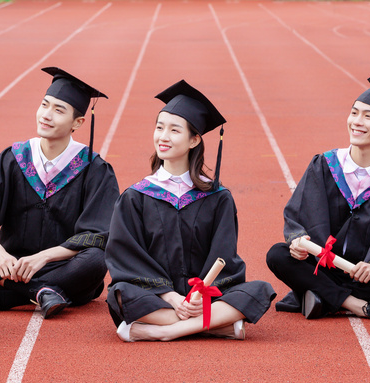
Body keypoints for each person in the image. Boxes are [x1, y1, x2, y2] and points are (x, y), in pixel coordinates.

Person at [106, 80, 276, 342]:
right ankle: (217, 325)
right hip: (157, 297)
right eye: (159, 127)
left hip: (201, 297)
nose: (163, 137)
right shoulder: (136, 197)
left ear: (194, 139)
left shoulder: (218, 198)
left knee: (259, 290)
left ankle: (166, 331)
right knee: (121, 294)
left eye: (174, 130)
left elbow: (225, 256)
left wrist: (199, 296)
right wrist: (172, 297)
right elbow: (127, 257)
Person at [0, 67, 119, 318]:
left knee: (96, 258)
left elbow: (97, 235)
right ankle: (40, 291)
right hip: (11, 265)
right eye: (45, 105)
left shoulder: (94, 169)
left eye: (58, 110)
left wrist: (43, 258)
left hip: (65, 268)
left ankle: (3, 295)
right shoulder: (14, 158)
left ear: (78, 122)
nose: (46, 115)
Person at [265, 71, 370, 321]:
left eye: (368, 116)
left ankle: (323, 298)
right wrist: (298, 241)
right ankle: (358, 305)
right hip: (325, 267)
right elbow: (298, 216)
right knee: (278, 255)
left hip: (368, 274)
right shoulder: (325, 165)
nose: (357, 121)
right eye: (354, 112)